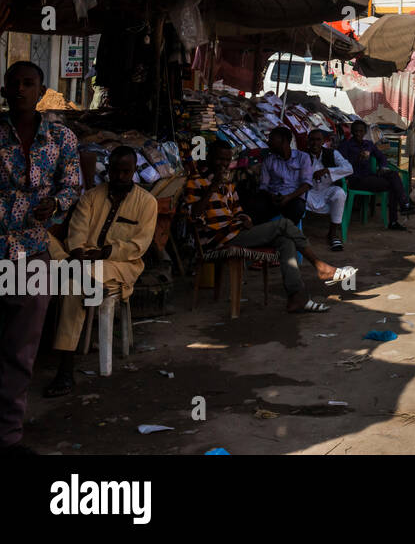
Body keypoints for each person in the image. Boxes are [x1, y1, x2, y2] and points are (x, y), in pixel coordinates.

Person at [0, 61, 83, 452]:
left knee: (21, 351)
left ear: (41, 90)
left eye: (28, 83)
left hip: (32, 254)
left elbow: (71, 187)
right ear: (4, 90)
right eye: (13, 83)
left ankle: (9, 435)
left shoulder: (62, 138)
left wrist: (54, 203)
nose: (20, 89)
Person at [183, 141, 354, 313]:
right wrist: (213, 187)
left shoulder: (227, 183)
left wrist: (245, 218)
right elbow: (193, 216)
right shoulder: (196, 181)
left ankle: (296, 297)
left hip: (235, 231)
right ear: (210, 157)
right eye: (220, 159)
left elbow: (237, 210)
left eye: (227, 160)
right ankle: (319, 265)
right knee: (284, 224)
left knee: (285, 241)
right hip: (217, 238)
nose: (224, 164)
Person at [44, 145, 156, 397]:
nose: (119, 177)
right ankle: (76, 272)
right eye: (115, 171)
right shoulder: (91, 196)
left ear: (134, 171)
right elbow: (77, 231)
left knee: (73, 282)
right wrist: (79, 251)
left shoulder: (147, 203)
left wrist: (105, 252)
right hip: (82, 260)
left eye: (125, 172)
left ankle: (65, 370)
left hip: (121, 264)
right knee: (44, 240)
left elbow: (138, 245)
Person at [339, 120, 412, 230]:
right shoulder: (346, 145)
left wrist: (383, 167)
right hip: (355, 179)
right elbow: (342, 165)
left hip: (369, 176)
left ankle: (402, 207)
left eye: (361, 131)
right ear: (352, 132)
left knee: (393, 175)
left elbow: (381, 157)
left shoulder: (368, 144)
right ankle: (401, 209)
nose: (358, 133)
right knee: (393, 185)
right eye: (356, 131)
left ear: (364, 132)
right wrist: (357, 159)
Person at [303, 129, 353, 251]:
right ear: (308, 141)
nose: (315, 143)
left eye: (318, 140)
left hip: (326, 191)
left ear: (323, 142)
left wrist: (327, 170)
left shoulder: (332, 153)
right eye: (312, 140)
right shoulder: (302, 155)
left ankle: (332, 234)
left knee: (339, 193)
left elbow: (349, 168)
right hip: (307, 192)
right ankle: (298, 234)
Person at [253, 127, 312, 226]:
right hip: (273, 197)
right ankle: (264, 235)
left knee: (297, 208)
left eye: (272, 139)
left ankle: (288, 235)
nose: (269, 142)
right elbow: (264, 186)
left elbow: (306, 184)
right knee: (257, 207)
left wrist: (288, 197)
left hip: (293, 197)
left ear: (284, 141)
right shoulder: (269, 160)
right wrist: (271, 196)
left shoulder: (303, 157)